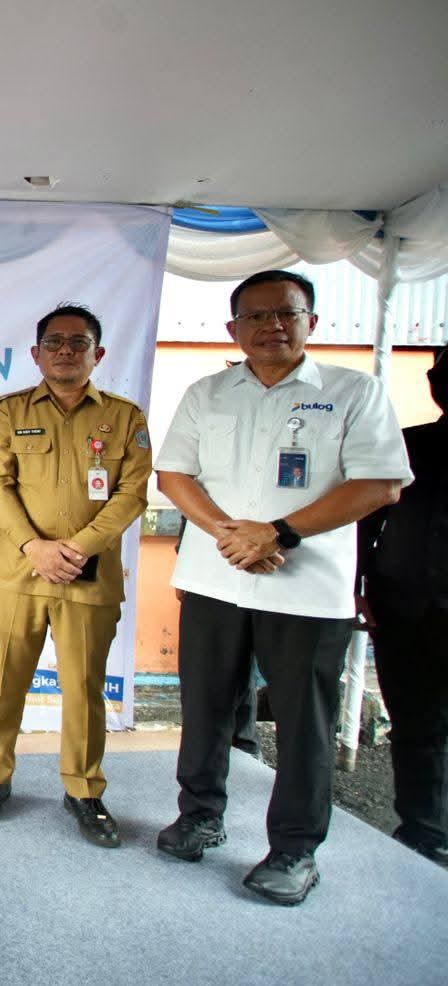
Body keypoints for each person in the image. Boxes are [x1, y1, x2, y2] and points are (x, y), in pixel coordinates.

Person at [154, 270, 410, 905]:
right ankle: (199, 815)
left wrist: (278, 533)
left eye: (287, 314)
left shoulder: (354, 391)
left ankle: (295, 848)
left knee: (303, 722)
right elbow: (174, 474)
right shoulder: (207, 392)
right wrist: (230, 534)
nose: (272, 326)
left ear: (310, 323)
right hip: (214, 578)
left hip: (307, 590)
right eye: (257, 316)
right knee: (206, 707)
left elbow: (380, 483)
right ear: (233, 328)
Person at [0, 305, 151, 846]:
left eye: (78, 343)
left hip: (88, 575)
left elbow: (132, 493)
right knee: (6, 679)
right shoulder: (10, 410)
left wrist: (76, 548)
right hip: (18, 571)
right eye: (54, 343)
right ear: (36, 353)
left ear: (99, 353)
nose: (66, 351)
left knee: (84, 686)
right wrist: (34, 546)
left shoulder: (124, 417)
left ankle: (84, 790)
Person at [358, 346, 448, 866]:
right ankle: (422, 829)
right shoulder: (406, 445)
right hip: (403, 608)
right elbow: (364, 520)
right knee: (415, 723)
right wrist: (355, 585)